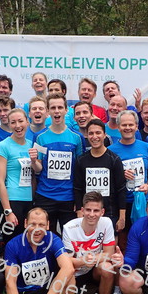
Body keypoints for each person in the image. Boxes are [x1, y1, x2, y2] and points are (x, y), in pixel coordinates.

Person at [4, 207, 78, 294]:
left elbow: (68, 268)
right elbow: (10, 283)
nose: (37, 229)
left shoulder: (52, 238)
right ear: (25, 223)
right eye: (32, 224)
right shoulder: (13, 245)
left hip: (49, 289)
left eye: (41, 225)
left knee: (70, 278)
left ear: (48, 225)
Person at [62, 192, 122, 294]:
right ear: (82, 210)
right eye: (88, 210)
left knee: (107, 267)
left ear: (102, 212)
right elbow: (67, 262)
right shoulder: (69, 228)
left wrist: (93, 259)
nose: (92, 214)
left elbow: (109, 253)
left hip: (93, 270)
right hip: (74, 275)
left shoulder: (106, 223)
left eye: (96, 210)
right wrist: (83, 261)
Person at [32, 93, 84, 232]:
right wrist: (33, 161)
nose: (56, 111)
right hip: (45, 195)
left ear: (66, 110)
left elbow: (80, 170)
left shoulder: (77, 137)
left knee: (70, 237)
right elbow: (38, 169)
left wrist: (78, 200)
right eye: (53, 108)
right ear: (48, 111)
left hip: (68, 197)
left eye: (60, 107)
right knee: (45, 237)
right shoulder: (39, 137)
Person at [109, 110, 148, 248]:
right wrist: (120, 175)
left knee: (144, 238)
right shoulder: (110, 150)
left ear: (136, 126)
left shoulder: (147, 147)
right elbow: (108, 179)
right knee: (122, 242)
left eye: (131, 124)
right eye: (124, 125)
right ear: (118, 127)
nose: (127, 128)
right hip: (121, 203)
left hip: (141, 202)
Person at [73, 119, 126, 229]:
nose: (94, 137)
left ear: (104, 135)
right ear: (87, 136)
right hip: (88, 213)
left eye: (98, 133)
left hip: (110, 213)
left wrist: (122, 217)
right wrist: (79, 211)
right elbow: (77, 188)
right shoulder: (81, 160)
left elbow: (121, 189)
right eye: (91, 133)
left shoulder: (114, 160)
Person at [0, 108, 35, 244]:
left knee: (27, 243)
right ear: (9, 125)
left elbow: (35, 174)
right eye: (13, 122)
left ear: (27, 122)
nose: (17, 126)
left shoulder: (31, 145)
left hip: (28, 201)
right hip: (11, 201)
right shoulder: (3, 146)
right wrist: (8, 211)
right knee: (12, 243)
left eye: (20, 121)